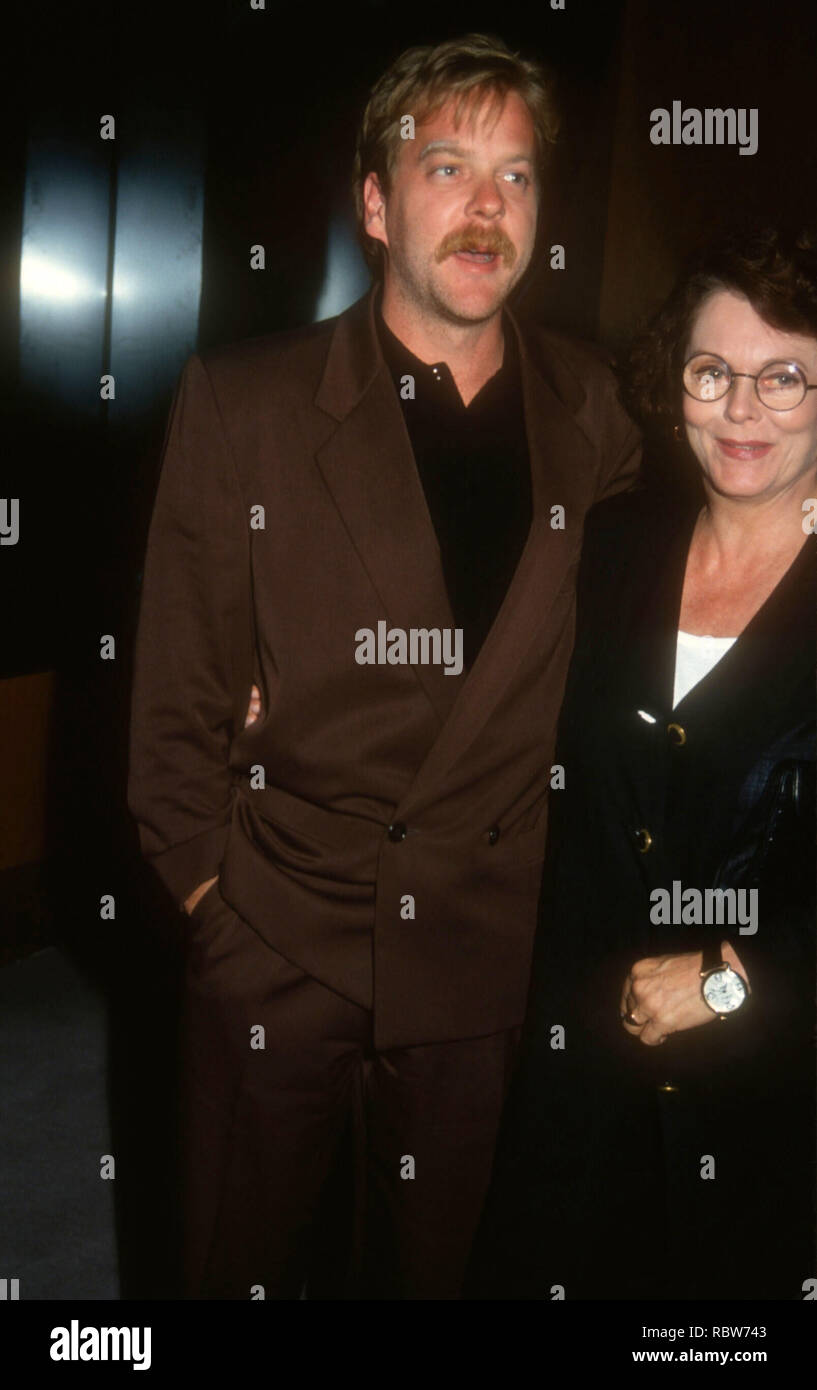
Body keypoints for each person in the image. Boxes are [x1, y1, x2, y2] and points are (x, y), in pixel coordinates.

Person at [126, 33, 640, 1300]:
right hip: (281, 938)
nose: (484, 208)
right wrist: (217, 910)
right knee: (228, 1265)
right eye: (446, 166)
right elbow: (171, 712)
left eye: (515, 178)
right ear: (374, 201)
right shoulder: (241, 402)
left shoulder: (598, 416)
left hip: (484, 964)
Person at [466, 225, 817, 1301]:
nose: (741, 407)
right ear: (674, 385)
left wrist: (735, 979)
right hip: (582, 1063)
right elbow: (494, 700)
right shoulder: (613, 544)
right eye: (711, 372)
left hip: (771, 1098)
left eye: (784, 377)